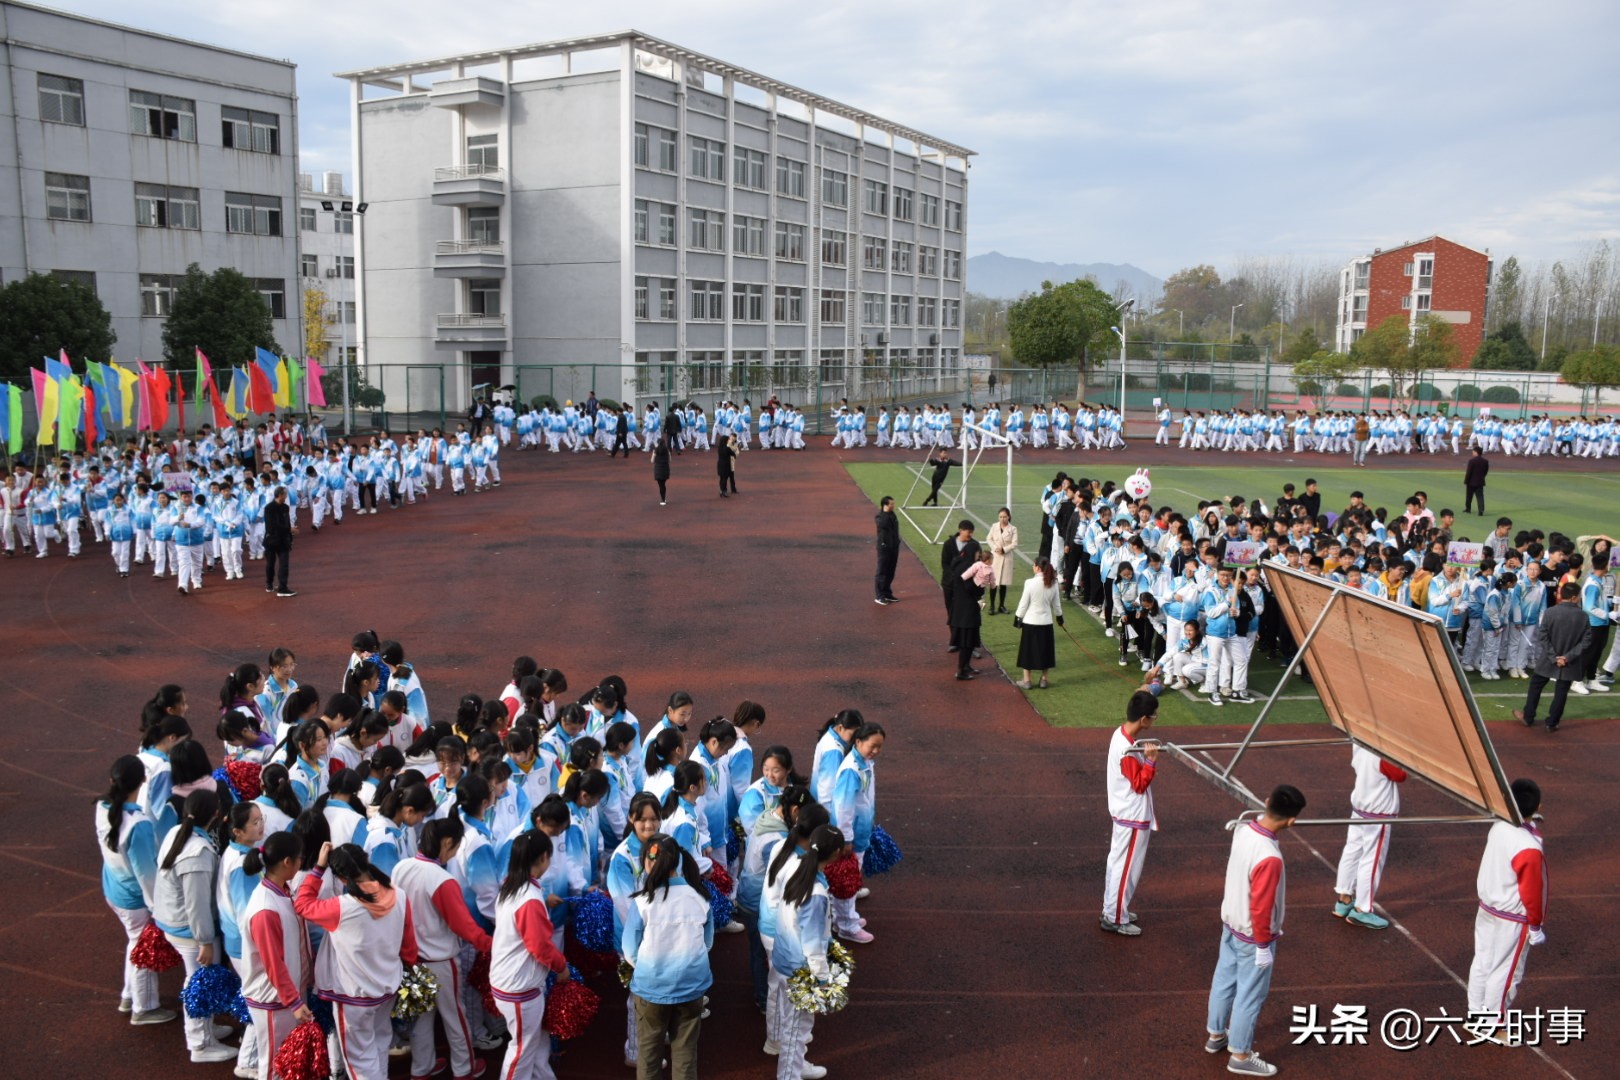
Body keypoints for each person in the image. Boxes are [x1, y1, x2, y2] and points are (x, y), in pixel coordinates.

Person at [1205, 784, 1306, 1078]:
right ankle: (1240, 1054)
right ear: (1291, 822)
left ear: (1265, 802)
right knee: (1250, 994)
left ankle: (1216, 1035)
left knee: (1224, 981)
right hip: (1253, 936)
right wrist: (1263, 946)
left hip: (1230, 925)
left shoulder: (1242, 829)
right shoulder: (1270, 857)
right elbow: (1261, 907)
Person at [295, 842, 419, 1080]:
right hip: (387, 987)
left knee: (359, 1060)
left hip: (353, 995)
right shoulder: (399, 894)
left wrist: (319, 868)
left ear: (341, 877)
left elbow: (302, 904)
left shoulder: (343, 907)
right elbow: (409, 944)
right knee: (380, 1043)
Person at [622, 834, 713, 1080]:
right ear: (678, 862)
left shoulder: (642, 901)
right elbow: (707, 943)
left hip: (651, 990)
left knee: (649, 1056)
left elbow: (629, 950)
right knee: (685, 1054)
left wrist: (650, 970)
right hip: (692, 987)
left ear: (648, 863)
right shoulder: (700, 897)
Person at [1466, 778, 1548, 1045]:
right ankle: (1494, 1025)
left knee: (1482, 963)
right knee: (1506, 972)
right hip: (1512, 918)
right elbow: (1532, 892)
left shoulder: (1499, 826)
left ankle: (1477, 1015)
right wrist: (1535, 926)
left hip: (1487, 908)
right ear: (1536, 806)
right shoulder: (1529, 848)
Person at [489, 829, 569, 1080]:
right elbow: (540, 947)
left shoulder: (512, 886)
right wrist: (562, 966)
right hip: (519, 987)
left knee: (531, 1044)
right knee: (521, 1050)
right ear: (544, 857)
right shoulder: (529, 898)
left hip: (511, 981)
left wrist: (544, 900)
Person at [1101, 691, 1159, 936]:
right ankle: (1116, 917)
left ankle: (1113, 908)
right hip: (1132, 815)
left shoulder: (1120, 734)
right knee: (1127, 868)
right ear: (1144, 719)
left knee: (1117, 863)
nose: (1154, 721)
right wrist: (1151, 761)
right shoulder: (1128, 749)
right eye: (1153, 717)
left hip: (1124, 813)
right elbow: (1139, 784)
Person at [1331, 746, 1406, 930]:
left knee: (1352, 852)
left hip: (1359, 807)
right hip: (1377, 813)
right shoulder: (1382, 753)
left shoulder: (1359, 743)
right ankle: (1362, 909)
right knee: (1371, 861)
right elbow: (1400, 775)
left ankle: (1343, 900)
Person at [1514, 581, 1591, 730]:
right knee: (1561, 692)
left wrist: (1553, 656)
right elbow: (1586, 641)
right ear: (1575, 597)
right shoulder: (1583, 616)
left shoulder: (1550, 612)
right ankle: (1552, 722)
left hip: (1548, 659)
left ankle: (1528, 716)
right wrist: (1567, 657)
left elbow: (1542, 637)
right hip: (1570, 662)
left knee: (1536, 686)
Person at [1012, 556, 1063, 689]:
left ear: (1037, 567)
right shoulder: (1053, 582)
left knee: (1027, 651)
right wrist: (1059, 617)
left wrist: (1018, 617)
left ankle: (1027, 680)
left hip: (1030, 622)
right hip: (1046, 622)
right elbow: (1056, 605)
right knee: (1046, 652)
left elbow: (1024, 603)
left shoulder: (1030, 583)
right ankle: (1044, 680)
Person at [263, 485, 296, 597]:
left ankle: (282, 587)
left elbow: (287, 523)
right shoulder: (269, 508)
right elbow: (271, 526)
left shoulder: (286, 507)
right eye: (285, 494)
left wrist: (290, 537)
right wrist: (289, 530)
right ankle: (269, 583)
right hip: (272, 540)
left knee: (284, 565)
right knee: (270, 564)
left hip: (283, 541)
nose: (286, 496)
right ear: (280, 495)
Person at [986, 507, 1018, 615]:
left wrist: (1004, 549)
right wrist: (996, 548)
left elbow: (1015, 543)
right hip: (995, 557)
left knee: (1004, 584)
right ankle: (992, 606)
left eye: (1004, 517)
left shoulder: (1013, 529)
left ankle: (1001, 606)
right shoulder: (994, 526)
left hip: (1006, 557)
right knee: (993, 583)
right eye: (1000, 517)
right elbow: (989, 539)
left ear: (1009, 517)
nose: (1002, 519)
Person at [873, 496, 900, 605]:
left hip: (894, 547)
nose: (893, 506)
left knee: (890, 571)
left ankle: (887, 593)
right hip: (884, 548)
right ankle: (879, 596)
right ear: (885, 505)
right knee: (882, 572)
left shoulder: (893, 515)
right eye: (891, 504)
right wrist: (885, 512)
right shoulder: (880, 517)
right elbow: (882, 524)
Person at [1465, 447, 1489, 516]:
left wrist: (1466, 480)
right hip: (1480, 481)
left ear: (1476, 452)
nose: (1472, 452)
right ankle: (1481, 510)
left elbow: (1469, 472)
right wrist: (1482, 477)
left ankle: (1468, 508)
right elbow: (1486, 471)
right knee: (1480, 496)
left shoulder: (1472, 461)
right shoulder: (1485, 461)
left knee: (1469, 496)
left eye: (1473, 451)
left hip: (1471, 481)